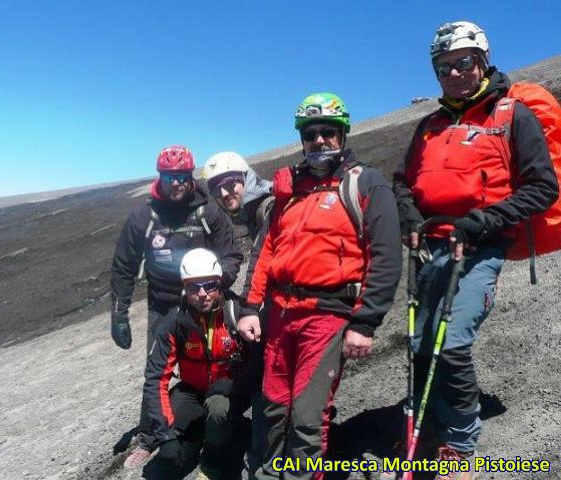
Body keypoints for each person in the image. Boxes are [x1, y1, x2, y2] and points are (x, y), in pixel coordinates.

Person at [392, 21, 558, 479]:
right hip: (431, 243)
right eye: (443, 67)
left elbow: (543, 187)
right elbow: (403, 182)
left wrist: (484, 220)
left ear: (482, 60)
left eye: (462, 62)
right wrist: (408, 216)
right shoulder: (430, 125)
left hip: (481, 244)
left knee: (452, 341)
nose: (453, 73)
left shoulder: (512, 115)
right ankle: (432, 420)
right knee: (420, 342)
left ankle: (462, 437)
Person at [237, 92, 402, 480]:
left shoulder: (365, 183)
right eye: (310, 134)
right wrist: (249, 306)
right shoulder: (289, 190)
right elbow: (266, 250)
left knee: (309, 415)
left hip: (328, 316)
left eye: (328, 132)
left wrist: (365, 324)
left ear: (342, 135)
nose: (319, 141)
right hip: (279, 314)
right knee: (275, 407)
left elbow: (386, 257)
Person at [110, 145, 243, 467]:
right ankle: (151, 435)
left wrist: (215, 286)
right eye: (170, 177)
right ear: (160, 177)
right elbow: (124, 266)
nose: (177, 183)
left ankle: (223, 413)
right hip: (163, 303)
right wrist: (119, 313)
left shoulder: (207, 212)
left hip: (205, 300)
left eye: (183, 176)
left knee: (219, 355)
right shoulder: (143, 216)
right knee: (156, 370)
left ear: (190, 176)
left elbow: (231, 254)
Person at [143, 248, 250, 480]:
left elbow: (261, 364)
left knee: (219, 408)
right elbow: (155, 380)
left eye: (209, 285)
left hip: (229, 393)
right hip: (193, 390)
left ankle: (212, 463)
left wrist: (236, 386)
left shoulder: (238, 313)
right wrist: (166, 436)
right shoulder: (175, 322)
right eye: (194, 287)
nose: (202, 293)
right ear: (185, 288)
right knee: (171, 452)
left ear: (219, 283)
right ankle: (205, 434)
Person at [203, 151, 274, 478]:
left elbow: (262, 261)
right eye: (217, 187)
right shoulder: (255, 210)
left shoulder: (267, 208)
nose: (224, 192)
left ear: (246, 178)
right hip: (282, 307)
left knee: (266, 382)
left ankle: (263, 462)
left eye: (231, 183)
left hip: (289, 310)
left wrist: (246, 308)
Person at [203, 151, 274, 243]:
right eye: (216, 191)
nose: (224, 194)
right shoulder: (249, 215)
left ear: (245, 179)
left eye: (230, 184)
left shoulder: (270, 209)